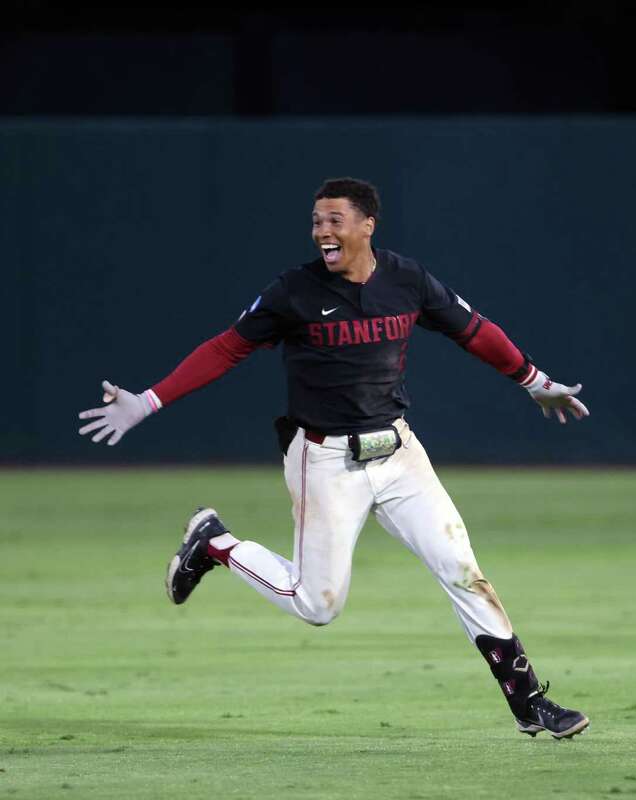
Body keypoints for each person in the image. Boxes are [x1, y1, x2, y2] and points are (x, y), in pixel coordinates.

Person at [78, 177, 591, 738]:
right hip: (324, 461)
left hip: (399, 454)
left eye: (335, 220)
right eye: (317, 220)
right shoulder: (293, 292)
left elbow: (474, 330)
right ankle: (216, 544)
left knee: (464, 572)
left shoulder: (406, 279)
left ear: (368, 224)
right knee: (318, 606)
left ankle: (529, 704)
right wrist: (149, 401)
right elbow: (226, 348)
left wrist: (533, 380)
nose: (323, 230)